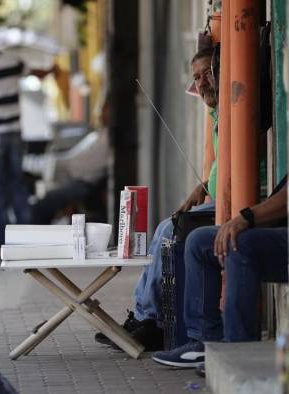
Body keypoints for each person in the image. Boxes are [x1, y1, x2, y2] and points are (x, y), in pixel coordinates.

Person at [94, 46, 220, 351]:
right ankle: (145, 318)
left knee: (168, 230)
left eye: (208, 74)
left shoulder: (236, 112)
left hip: (233, 204)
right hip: (214, 199)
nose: (202, 83)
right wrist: (202, 187)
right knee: (168, 227)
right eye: (196, 78)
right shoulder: (218, 115)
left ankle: (148, 320)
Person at [151, 179, 288, 368]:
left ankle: (238, 347)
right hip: (275, 230)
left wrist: (246, 217)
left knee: (238, 244)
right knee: (198, 241)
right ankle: (205, 341)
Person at [0, 25, 56, 258]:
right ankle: (27, 242)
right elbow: (36, 73)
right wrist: (51, 70)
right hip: (16, 134)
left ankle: (2, 244)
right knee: (18, 185)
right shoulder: (12, 61)